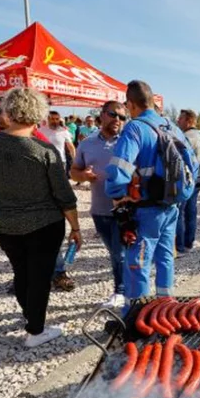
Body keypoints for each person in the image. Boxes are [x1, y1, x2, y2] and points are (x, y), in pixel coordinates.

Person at [0, 88, 81, 347]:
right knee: (40, 277)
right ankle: (36, 330)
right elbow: (64, 195)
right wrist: (75, 228)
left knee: (21, 272)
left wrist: (3, 175)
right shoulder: (44, 150)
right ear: (39, 115)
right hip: (43, 224)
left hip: (4, 222)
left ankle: (30, 317)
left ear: (9, 112)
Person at [106, 80, 187, 301]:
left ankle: (136, 314)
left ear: (130, 104)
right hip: (171, 205)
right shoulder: (172, 127)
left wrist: (116, 195)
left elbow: (118, 168)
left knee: (138, 261)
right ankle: (165, 305)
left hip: (146, 209)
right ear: (152, 101)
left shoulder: (135, 127)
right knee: (165, 257)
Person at [71, 101, 127, 308]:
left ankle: (122, 291)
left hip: (125, 210)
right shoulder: (87, 143)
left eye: (122, 117)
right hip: (99, 210)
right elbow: (74, 170)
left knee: (119, 252)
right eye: (114, 115)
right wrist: (83, 175)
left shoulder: (129, 141)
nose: (118, 120)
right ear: (102, 115)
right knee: (114, 251)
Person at [40, 111, 78, 291]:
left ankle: (58, 271)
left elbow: (70, 148)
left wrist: (77, 163)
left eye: (57, 118)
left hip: (58, 167)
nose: (55, 121)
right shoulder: (40, 130)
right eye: (52, 119)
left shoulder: (63, 131)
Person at [176, 109, 200, 254]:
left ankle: (180, 246)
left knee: (179, 213)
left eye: (180, 119)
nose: (178, 121)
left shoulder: (183, 138)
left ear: (188, 121)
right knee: (191, 211)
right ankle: (189, 243)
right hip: (198, 180)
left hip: (185, 181)